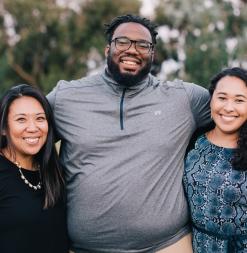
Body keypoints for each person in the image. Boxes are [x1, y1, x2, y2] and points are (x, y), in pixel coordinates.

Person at [47, 14, 211, 253]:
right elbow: (20, 133)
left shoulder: (184, 99)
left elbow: (234, 110)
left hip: (168, 245)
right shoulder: (66, 98)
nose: (132, 50)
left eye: (143, 44)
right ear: (107, 49)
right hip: (85, 248)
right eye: (122, 42)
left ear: (152, 53)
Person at [183, 67, 247, 252]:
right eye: (222, 97)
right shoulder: (194, 139)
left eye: (239, 100)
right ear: (211, 100)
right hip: (198, 245)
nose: (228, 107)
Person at [0, 84, 69, 253]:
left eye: (40, 118)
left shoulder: (54, 169)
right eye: (21, 119)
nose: (33, 128)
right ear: (3, 128)